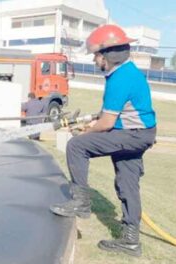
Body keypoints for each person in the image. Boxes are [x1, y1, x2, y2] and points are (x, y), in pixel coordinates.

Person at [49, 24, 157, 257]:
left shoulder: (120, 77)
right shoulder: (127, 72)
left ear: (108, 54)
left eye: (96, 55)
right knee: (127, 184)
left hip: (133, 134)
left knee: (76, 146)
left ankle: (81, 202)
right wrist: (92, 123)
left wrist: (87, 133)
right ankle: (131, 241)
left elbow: (107, 124)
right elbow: (110, 115)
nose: (95, 60)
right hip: (138, 132)